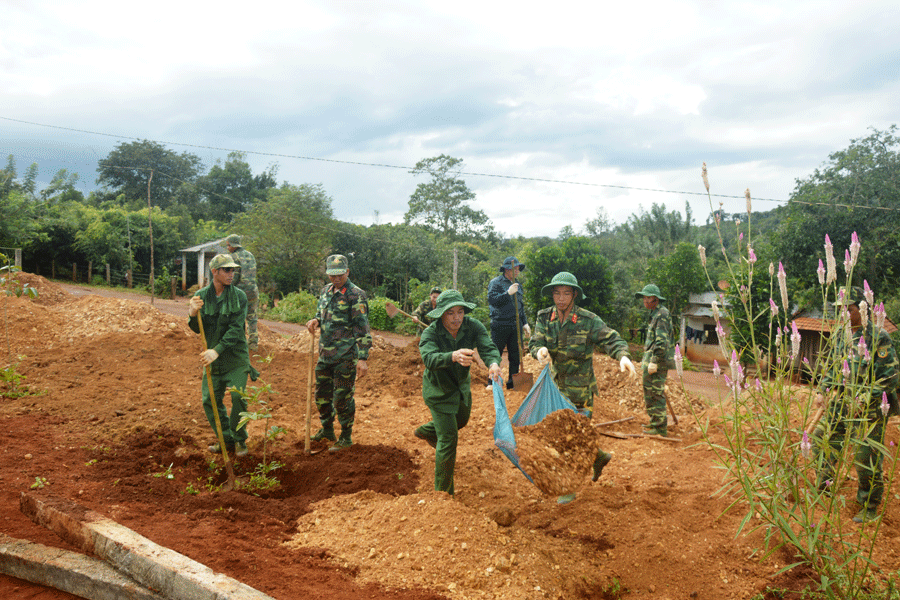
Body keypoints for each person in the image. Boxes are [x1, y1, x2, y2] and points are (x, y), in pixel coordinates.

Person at [529, 272, 637, 483]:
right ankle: (599, 457)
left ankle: (568, 488)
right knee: (564, 437)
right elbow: (535, 342)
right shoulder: (544, 317)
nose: (561, 298)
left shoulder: (588, 320)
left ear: (574, 295)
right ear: (552, 294)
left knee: (570, 440)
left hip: (581, 393)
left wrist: (623, 356)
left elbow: (611, 339)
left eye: (566, 293)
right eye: (557, 293)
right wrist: (540, 350)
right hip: (556, 391)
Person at [812, 286, 899, 524]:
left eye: (848, 310)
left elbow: (890, 376)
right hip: (841, 403)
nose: (844, 315)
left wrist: (865, 398)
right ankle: (824, 489)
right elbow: (833, 367)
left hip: (869, 410)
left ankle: (869, 505)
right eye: (840, 310)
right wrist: (823, 389)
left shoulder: (878, 336)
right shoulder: (841, 335)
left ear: (861, 309)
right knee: (821, 442)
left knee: (865, 457)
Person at [415, 289, 502, 495]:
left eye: (460, 312)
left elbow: (487, 346)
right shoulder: (430, 333)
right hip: (439, 391)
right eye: (450, 313)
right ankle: (443, 493)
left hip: (461, 388)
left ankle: (426, 431)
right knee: (448, 439)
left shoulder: (473, 326)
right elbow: (429, 359)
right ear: (441, 314)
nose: (457, 318)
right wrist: (452, 356)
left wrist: (494, 363)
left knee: (461, 420)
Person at [188, 254, 258, 457]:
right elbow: (196, 328)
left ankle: (239, 440)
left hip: (235, 358)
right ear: (214, 272)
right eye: (226, 270)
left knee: (238, 397)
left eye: (233, 270)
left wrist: (216, 351)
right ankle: (225, 440)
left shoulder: (240, 296)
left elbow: (237, 330)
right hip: (213, 360)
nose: (231, 274)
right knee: (209, 399)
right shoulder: (201, 296)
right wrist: (192, 314)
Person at [305, 254, 372, 452]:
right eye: (332, 275)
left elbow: (363, 328)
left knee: (342, 398)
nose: (336, 278)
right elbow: (321, 314)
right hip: (325, 355)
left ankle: (345, 437)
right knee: (322, 396)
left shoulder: (355, 295)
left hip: (345, 356)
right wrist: (315, 320)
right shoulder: (325, 291)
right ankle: (327, 430)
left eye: (340, 275)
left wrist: (363, 358)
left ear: (347, 272)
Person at [487, 257, 531, 389]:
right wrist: (507, 293)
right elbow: (492, 300)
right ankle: (491, 382)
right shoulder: (496, 283)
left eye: (518, 269)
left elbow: (520, 306)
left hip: (515, 324)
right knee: (496, 354)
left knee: (516, 355)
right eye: (515, 268)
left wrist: (525, 323)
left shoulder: (518, 284)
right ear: (507, 269)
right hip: (500, 323)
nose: (517, 271)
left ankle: (512, 383)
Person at [635, 284, 673, 436]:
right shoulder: (654, 313)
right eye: (644, 297)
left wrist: (654, 360)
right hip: (651, 358)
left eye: (647, 297)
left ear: (655, 299)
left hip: (658, 361)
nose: (644, 300)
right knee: (649, 391)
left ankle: (660, 428)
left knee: (656, 392)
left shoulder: (662, 314)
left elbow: (661, 340)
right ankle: (654, 422)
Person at [225, 234, 259, 352]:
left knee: (237, 317)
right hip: (253, 290)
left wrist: (227, 290)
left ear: (234, 245)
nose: (227, 247)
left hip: (239, 292)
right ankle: (253, 344)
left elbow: (235, 276)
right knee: (252, 317)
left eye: (228, 245)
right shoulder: (251, 255)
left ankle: (239, 343)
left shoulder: (232, 257)